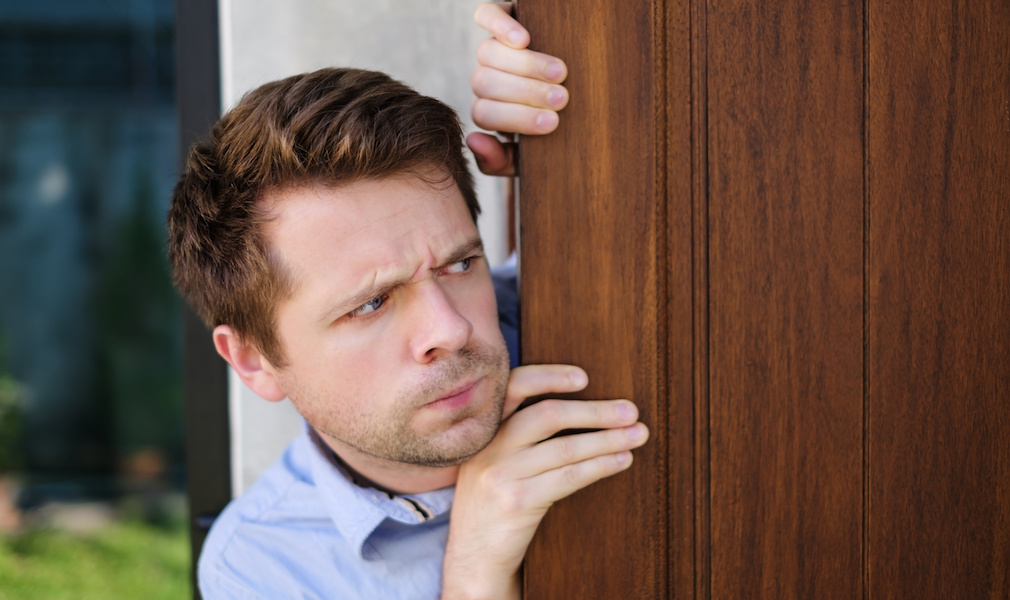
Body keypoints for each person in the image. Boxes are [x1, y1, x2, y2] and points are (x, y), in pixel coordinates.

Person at [168, 46, 646, 600]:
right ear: (255, 360)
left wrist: (565, 87)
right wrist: (473, 579)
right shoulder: (263, 568)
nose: (451, 330)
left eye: (460, 264)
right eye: (370, 304)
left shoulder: (583, 310)